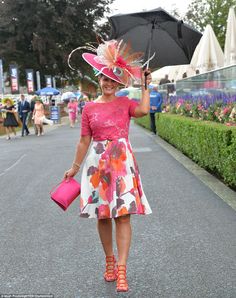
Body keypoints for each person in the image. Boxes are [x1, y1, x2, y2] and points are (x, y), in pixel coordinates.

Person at [64, 39, 152, 293]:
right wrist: (75, 167)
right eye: (104, 79)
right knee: (103, 216)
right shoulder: (89, 107)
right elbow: (84, 140)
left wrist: (146, 85)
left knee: (123, 216)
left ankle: (122, 270)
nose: (108, 83)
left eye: (113, 80)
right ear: (99, 80)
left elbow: (144, 110)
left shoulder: (125, 103)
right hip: (97, 164)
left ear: (119, 83)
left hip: (122, 162)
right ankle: (110, 262)